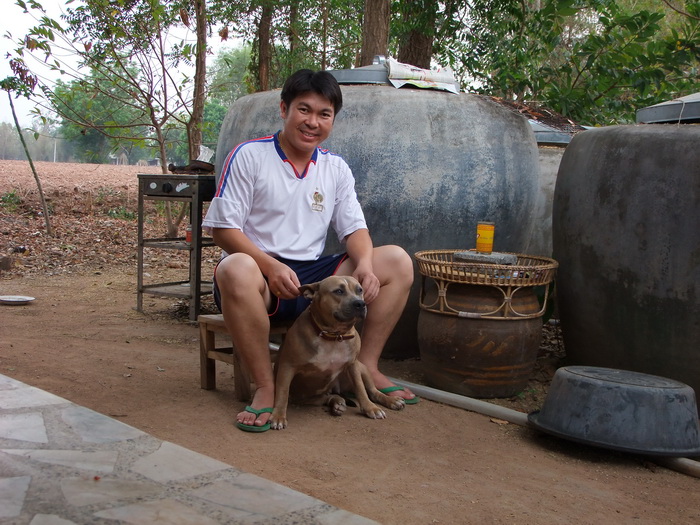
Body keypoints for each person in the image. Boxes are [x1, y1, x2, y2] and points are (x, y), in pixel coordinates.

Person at [202, 69, 417, 432]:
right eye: (304, 110)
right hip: (260, 275)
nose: (312, 122)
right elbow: (222, 229)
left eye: (324, 114)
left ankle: (364, 369)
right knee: (235, 267)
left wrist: (364, 264)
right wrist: (269, 266)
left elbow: (355, 229)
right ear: (284, 109)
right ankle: (267, 388)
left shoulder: (335, 168)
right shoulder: (250, 156)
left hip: (315, 280)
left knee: (395, 260)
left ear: (333, 119)